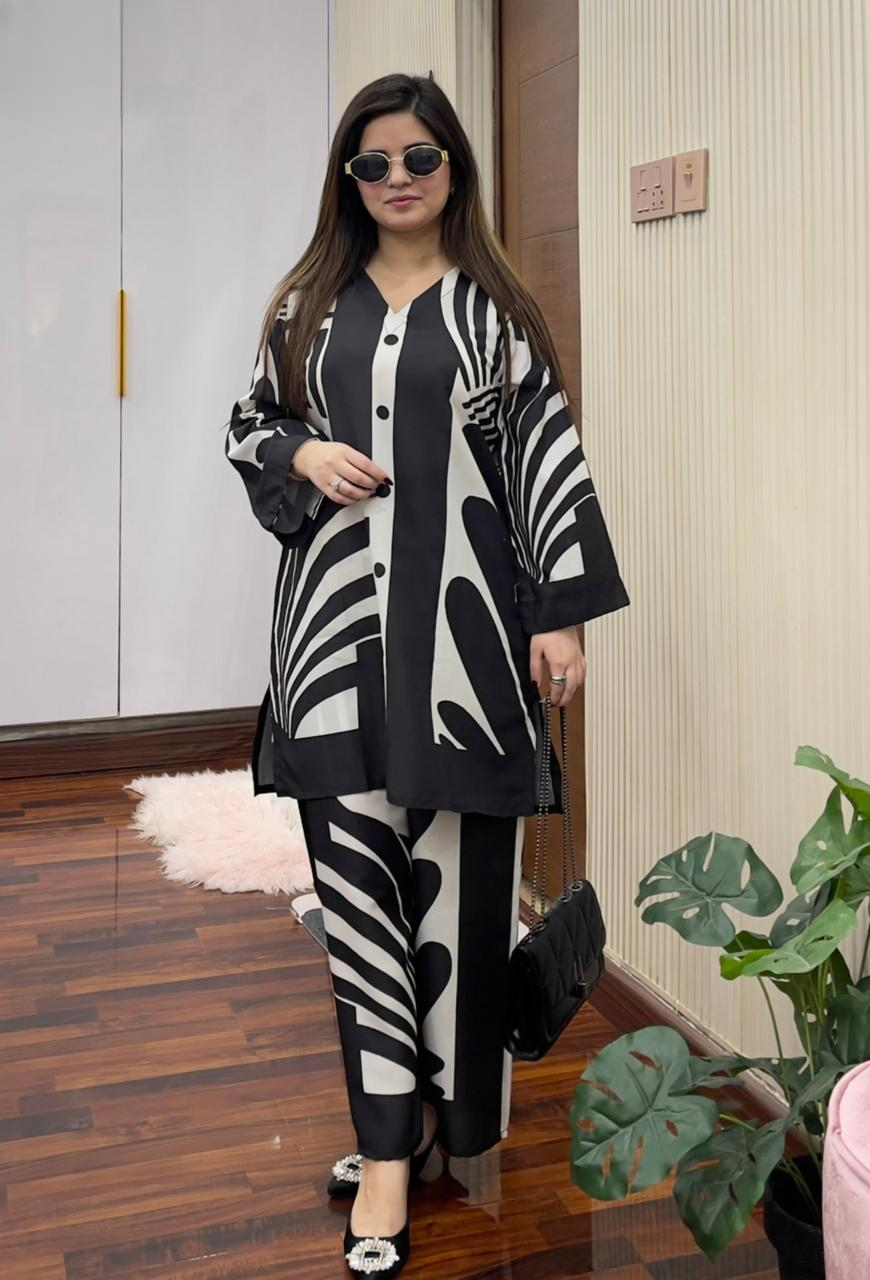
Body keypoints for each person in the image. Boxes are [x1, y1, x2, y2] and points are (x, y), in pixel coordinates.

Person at [225, 71, 629, 1278]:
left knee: (458, 903)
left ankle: (451, 1123)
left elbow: (545, 453)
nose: (396, 179)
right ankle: (387, 1150)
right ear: (346, 178)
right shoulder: (304, 306)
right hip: (332, 652)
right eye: (373, 162)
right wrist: (303, 448)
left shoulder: (495, 312)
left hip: (469, 656)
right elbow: (248, 425)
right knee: (359, 906)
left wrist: (561, 614)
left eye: (419, 157)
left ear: (454, 164)